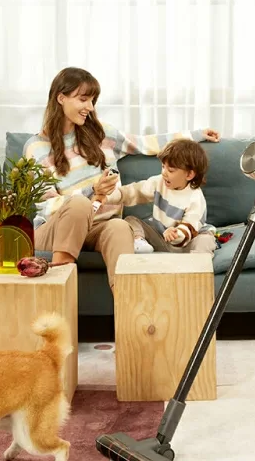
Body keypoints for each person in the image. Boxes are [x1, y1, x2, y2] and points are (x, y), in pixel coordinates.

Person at [25, 67, 219, 292]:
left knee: (119, 226)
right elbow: (47, 206)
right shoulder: (36, 148)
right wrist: (93, 192)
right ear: (61, 98)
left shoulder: (102, 135)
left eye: (93, 100)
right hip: (57, 229)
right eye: (83, 99)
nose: (90, 107)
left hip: (99, 228)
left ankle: (130, 305)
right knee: (79, 204)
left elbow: (146, 143)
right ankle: (59, 289)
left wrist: (195, 135)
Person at [108, 138, 217, 255]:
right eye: (163, 166)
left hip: (187, 241)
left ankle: (197, 262)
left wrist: (176, 234)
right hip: (162, 237)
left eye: (171, 170)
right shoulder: (159, 182)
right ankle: (139, 243)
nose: (164, 173)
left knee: (205, 240)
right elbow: (135, 192)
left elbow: (189, 227)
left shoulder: (195, 198)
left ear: (189, 174)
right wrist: (109, 197)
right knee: (130, 221)